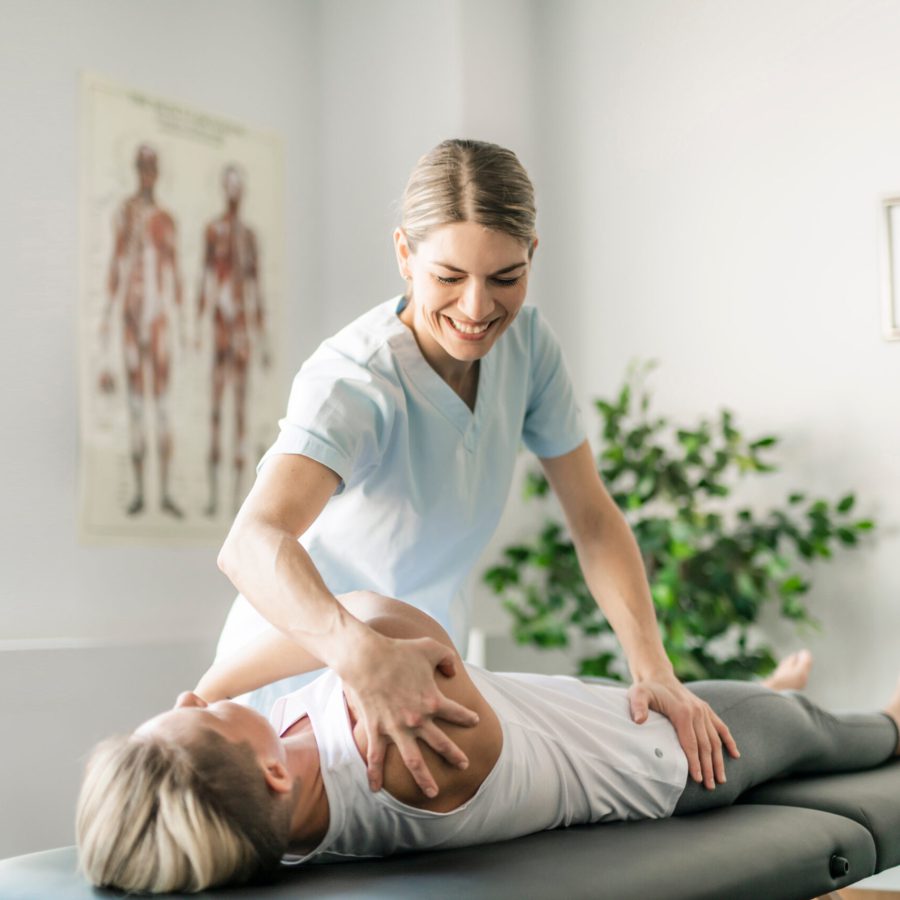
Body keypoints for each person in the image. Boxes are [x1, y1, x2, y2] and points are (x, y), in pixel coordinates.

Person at [212, 138, 741, 803]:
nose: (476, 308)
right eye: (448, 276)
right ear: (404, 254)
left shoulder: (529, 348)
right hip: (304, 682)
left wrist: (654, 668)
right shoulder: (354, 380)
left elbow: (592, 518)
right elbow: (251, 543)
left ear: (532, 257)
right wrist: (359, 656)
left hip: (425, 675)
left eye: (505, 278)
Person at [76, 592, 900, 895]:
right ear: (267, 773)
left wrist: (211, 711)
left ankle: (767, 686)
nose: (195, 695)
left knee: (755, 696)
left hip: (588, 708)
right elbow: (384, 619)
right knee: (826, 731)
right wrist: (220, 687)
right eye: (205, 715)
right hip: (670, 759)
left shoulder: (270, 811)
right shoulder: (407, 761)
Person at [99, 143, 185, 518]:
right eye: (143, 167)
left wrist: (184, 328)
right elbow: (117, 267)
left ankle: (163, 493)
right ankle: (138, 492)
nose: (148, 174)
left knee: (163, 409)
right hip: (133, 317)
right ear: (138, 170)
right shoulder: (126, 214)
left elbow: (175, 273)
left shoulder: (165, 219)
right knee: (137, 408)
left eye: (153, 167)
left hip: (159, 319)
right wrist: (106, 320)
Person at [195, 164, 270, 518]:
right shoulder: (214, 230)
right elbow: (205, 280)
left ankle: (238, 501)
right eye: (230, 187)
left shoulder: (249, 237)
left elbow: (256, 290)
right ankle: (212, 497)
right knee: (215, 411)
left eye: (239, 187)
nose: (234, 193)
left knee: (239, 412)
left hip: (240, 331)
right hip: (221, 328)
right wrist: (197, 328)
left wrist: (261, 338)